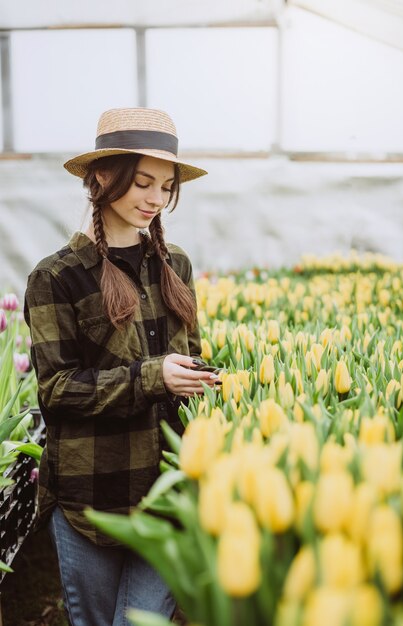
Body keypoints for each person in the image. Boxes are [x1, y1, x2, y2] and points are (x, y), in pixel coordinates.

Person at [24, 108, 219, 626]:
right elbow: (57, 390)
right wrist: (152, 377)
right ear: (101, 178)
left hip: (165, 490)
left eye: (166, 186)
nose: (156, 199)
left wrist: (210, 377)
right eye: (143, 183)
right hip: (92, 494)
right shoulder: (57, 277)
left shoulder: (174, 265)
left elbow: (190, 353)